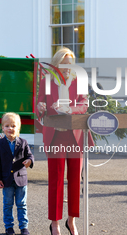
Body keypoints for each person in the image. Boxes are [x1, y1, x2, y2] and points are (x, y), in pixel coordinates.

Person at [36, 47, 94, 235]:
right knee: (56, 180)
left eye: (71, 64)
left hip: (74, 136)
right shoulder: (46, 82)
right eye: (64, 64)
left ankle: (72, 221)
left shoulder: (79, 82)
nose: (68, 68)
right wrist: (41, 107)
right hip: (55, 136)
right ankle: (55, 223)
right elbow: (37, 109)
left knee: (75, 180)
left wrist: (71, 110)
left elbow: (84, 104)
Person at [0, 112, 34, 235]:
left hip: (21, 180)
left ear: (18, 127)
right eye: (7, 126)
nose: (10, 128)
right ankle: (9, 227)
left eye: (13, 126)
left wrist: (30, 161)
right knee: (7, 204)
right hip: (6, 180)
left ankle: (24, 227)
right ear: (2, 128)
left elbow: (29, 155)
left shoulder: (23, 142)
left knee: (22, 204)